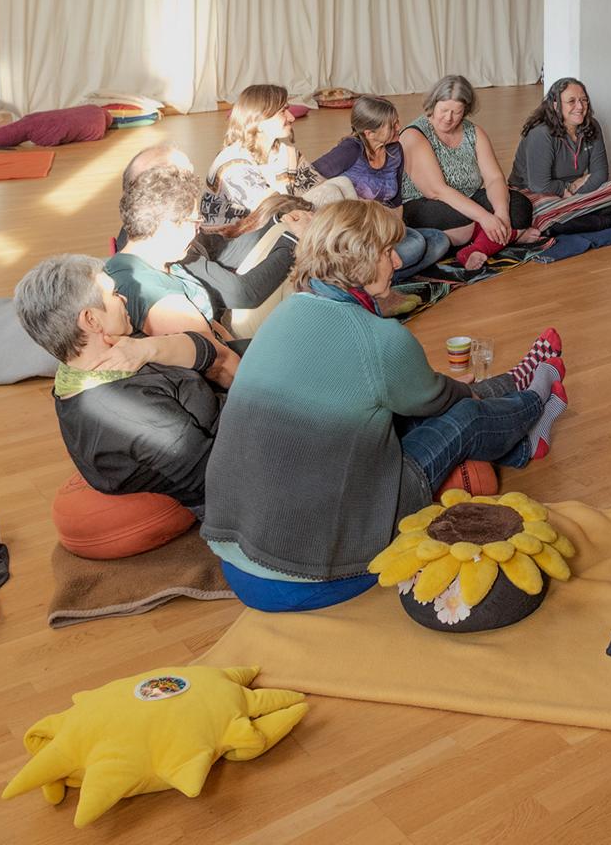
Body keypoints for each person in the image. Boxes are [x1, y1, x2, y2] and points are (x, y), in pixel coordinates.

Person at [200, 201, 568, 609]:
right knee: (465, 416)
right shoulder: (379, 337)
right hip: (317, 573)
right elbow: (437, 400)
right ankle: (538, 397)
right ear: (357, 259)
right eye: (387, 251)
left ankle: (518, 415)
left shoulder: (287, 313)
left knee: (410, 409)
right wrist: (468, 391)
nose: (396, 260)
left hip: (237, 565)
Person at [15, 254, 227, 510]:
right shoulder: (122, 409)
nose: (124, 298)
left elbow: (207, 350)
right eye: (115, 294)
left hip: (239, 423)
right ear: (91, 320)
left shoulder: (111, 352)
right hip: (240, 466)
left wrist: (152, 348)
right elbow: (214, 479)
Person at [121, 145, 301, 313]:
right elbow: (243, 294)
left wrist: (276, 222)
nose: (193, 185)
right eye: (184, 177)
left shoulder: (157, 226)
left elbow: (223, 249)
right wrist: (294, 240)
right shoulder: (168, 244)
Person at [399, 75, 539, 271]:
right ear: (433, 105)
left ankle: (477, 249)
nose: (448, 118)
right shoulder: (415, 135)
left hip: (468, 199)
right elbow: (437, 191)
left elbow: (494, 179)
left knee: (519, 204)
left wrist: (501, 214)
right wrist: (485, 217)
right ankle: (509, 235)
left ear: (466, 110)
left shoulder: (474, 132)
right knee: (463, 220)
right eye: (443, 110)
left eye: (456, 112)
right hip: (426, 204)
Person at [107, 168, 242, 368]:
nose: (198, 231)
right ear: (167, 227)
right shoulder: (155, 295)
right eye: (195, 222)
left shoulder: (147, 263)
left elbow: (211, 326)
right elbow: (221, 365)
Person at [310, 96, 449, 279]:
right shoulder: (350, 149)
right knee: (416, 246)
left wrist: (389, 243)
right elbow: (308, 179)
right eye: (391, 125)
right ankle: (374, 276)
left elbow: (396, 203)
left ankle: (376, 279)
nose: (399, 127)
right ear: (369, 133)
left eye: (397, 122)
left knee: (438, 240)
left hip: (382, 231)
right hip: (353, 240)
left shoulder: (395, 150)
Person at [510, 77, 611, 235]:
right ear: (556, 104)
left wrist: (573, 192)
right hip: (533, 193)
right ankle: (606, 221)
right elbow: (540, 185)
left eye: (584, 100)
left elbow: (600, 174)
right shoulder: (541, 134)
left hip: (570, 192)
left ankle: (574, 217)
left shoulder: (592, 125)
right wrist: (567, 188)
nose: (580, 106)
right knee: (541, 216)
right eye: (571, 101)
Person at [209, 84, 352, 213]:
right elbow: (267, 210)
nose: (291, 118)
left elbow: (315, 187)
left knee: (342, 183)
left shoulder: (287, 154)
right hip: (242, 236)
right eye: (283, 111)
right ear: (259, 119)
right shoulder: (233, 163)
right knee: (331, 193)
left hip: (276, 224)